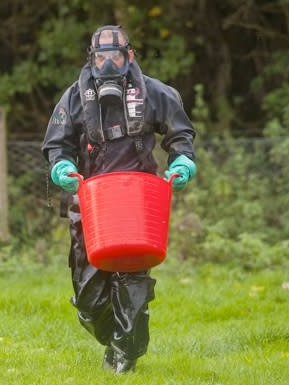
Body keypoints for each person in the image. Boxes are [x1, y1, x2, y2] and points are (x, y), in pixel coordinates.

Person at [41, 25, 196, 374]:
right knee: (89, 302)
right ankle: (116, 340)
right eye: (101, 57)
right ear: (91, 60)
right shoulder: (74, 98)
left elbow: (180, 135)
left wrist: (182, 162)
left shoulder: (155, 93)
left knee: (132, 284)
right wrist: (61, 167)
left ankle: (127, 354)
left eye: (115, 56)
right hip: (91, 205)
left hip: (138, 205)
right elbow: (56, 144)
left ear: (130, 56)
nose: (108, 63)